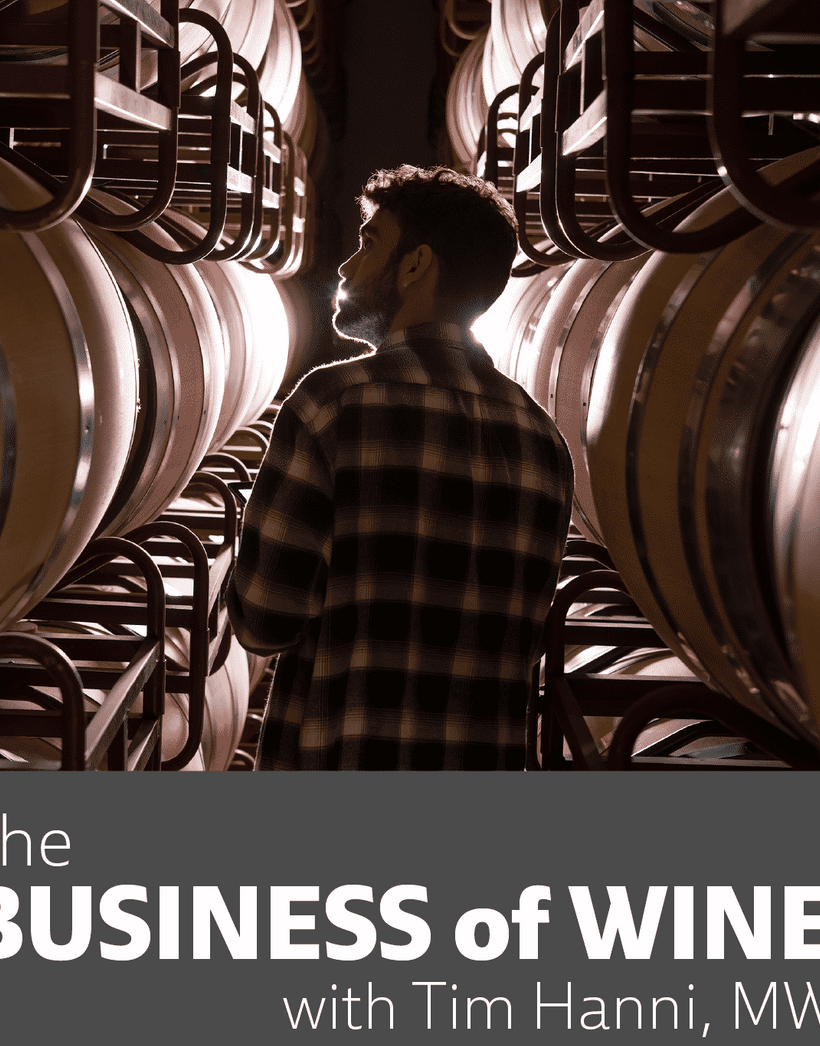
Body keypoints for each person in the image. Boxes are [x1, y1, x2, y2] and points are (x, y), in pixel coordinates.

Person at [227, 165, 574, 769]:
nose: (345, 268)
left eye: (368, 242)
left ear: (415, 266)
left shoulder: (330, 406)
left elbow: (263, 619)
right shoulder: (543, 439)